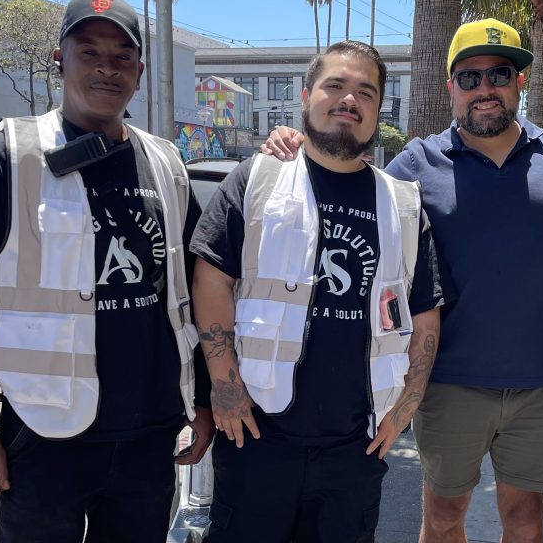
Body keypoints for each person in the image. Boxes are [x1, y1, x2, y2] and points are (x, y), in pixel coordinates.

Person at [263, 18, 543, 543]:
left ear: (519, 84)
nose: (484, 89)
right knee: (442, 521)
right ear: (451, 88)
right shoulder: (416, 163)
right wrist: (294, 143)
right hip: (447, 382)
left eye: (499, 74)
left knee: (526, 522)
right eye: (469, 77)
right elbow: (343, 177)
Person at [0, 0, 214, 543]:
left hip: (148, 433)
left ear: (139, 71)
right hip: (45, 432)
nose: (105, 67)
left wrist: (202, 401)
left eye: (121, 56)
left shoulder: (166, 162)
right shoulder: (11, 156)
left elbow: (188, 293)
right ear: (59, 58)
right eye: (88, 50)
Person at [189, 40, 443, 543]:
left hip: (354, 449)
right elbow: (212, 276)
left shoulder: (402, 205)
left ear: (377, 110)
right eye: (335, 86)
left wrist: (408, 403)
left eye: (365, 92)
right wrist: (224, 384)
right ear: (306, 96)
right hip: (256, 439)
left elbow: (426, 314)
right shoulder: (259, 177)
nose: (349, 99)